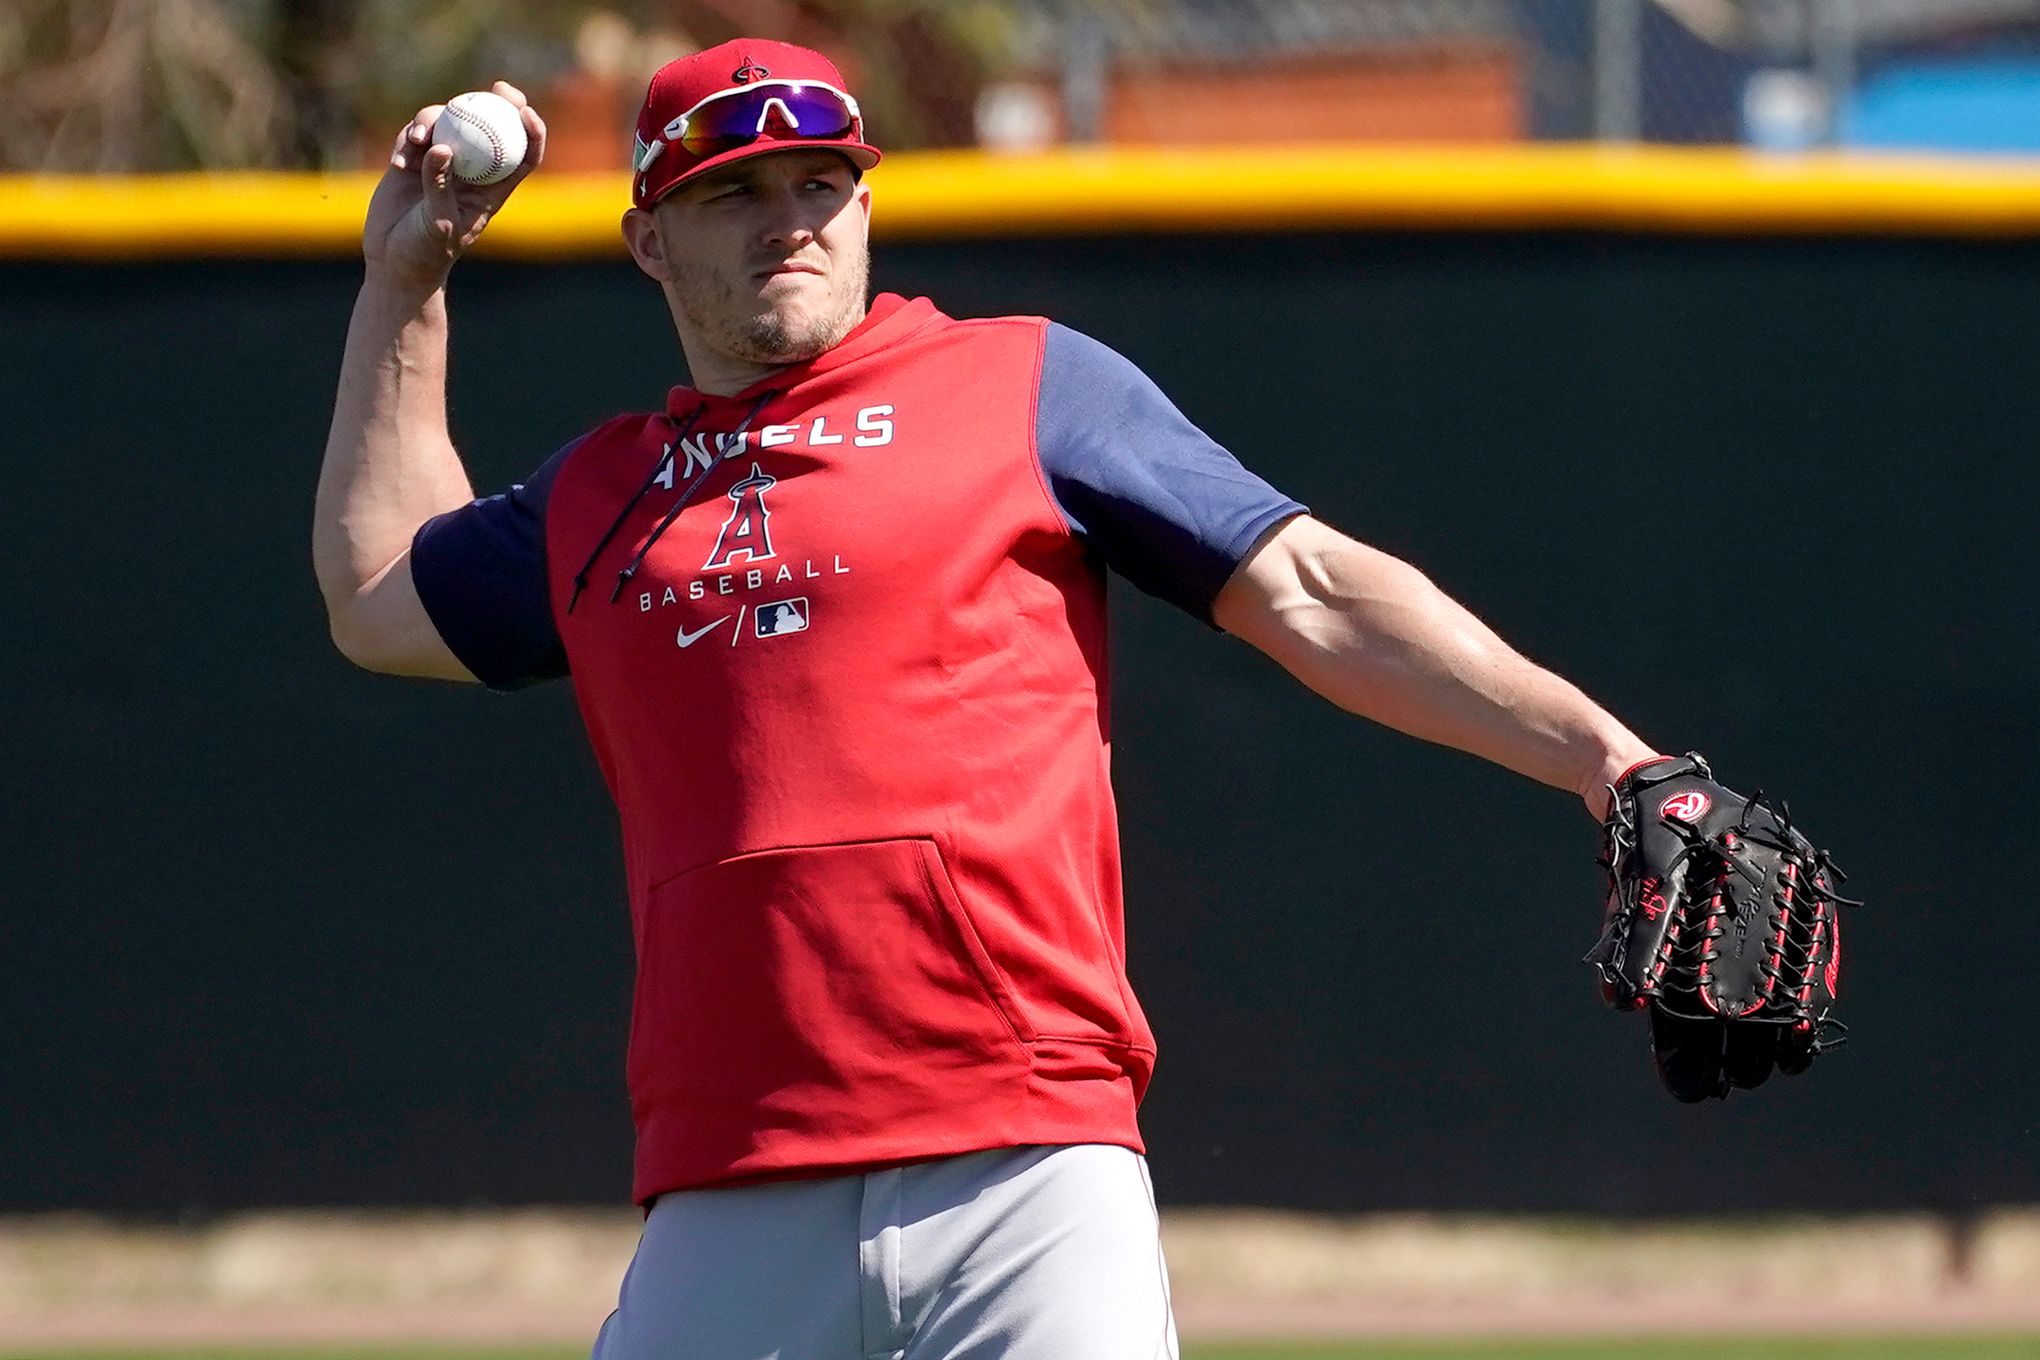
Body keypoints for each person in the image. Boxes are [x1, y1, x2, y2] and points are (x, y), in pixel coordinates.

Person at [312, 38, 1660, 1360]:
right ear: (650, 239)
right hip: (730, 1170)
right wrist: (408, 274)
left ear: (865, 204)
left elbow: (1311, 588)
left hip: (1023, 1165)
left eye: (818, 183)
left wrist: (1611, 760)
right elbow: (379, 595)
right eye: (731, 193)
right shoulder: (601, 495)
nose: (788, 222)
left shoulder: (1022, 386)